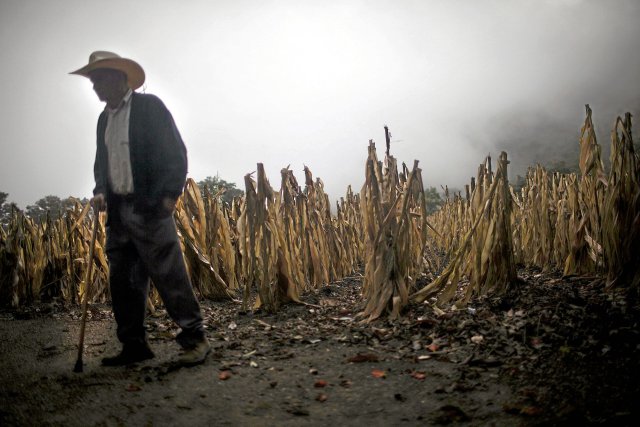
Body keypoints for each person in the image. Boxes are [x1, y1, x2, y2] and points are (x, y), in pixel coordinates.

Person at [70, 51, 210, 366]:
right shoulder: (104, 119)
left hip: (149, 209)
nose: (95, 88)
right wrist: (100, 190)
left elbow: (175, 153)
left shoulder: (150, 108)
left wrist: (167, 198)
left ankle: (195, 339)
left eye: (100, 80)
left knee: (170, 276)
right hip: (118, 215)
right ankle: (133, 346)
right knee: (124, 282)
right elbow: (101, 164)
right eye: (93, 82)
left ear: (119, 78)